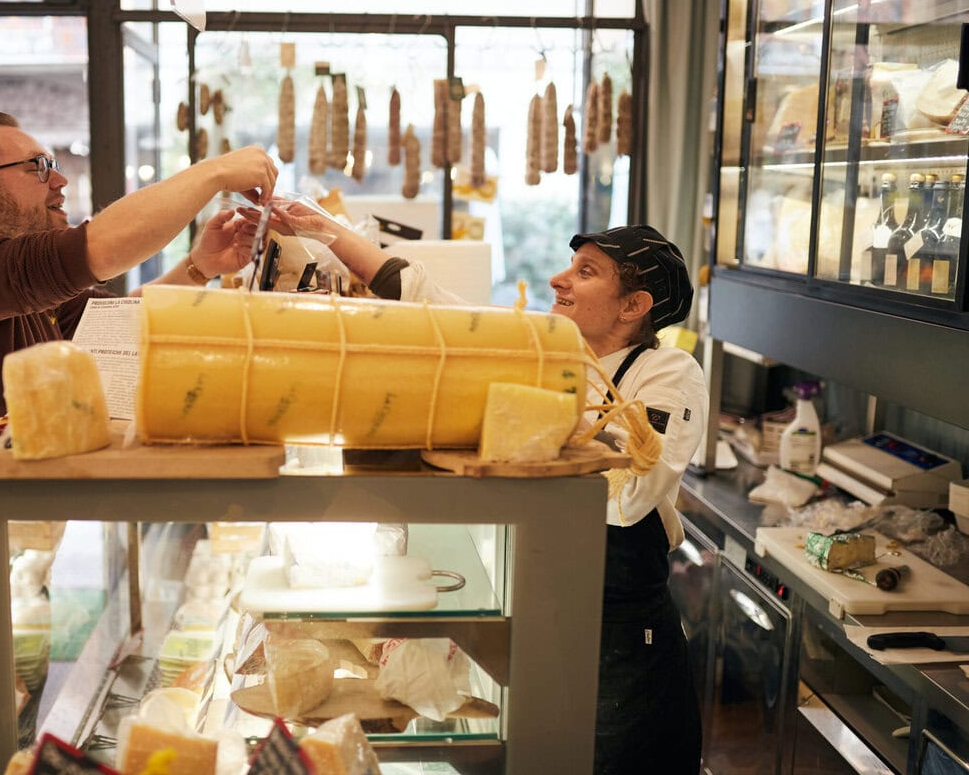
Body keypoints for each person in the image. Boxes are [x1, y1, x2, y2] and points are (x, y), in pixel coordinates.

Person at [0, 110, 276, 774]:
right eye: (37, 167)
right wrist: (217, 171)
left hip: (3, 566)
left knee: (5, 756)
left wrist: (198, 268)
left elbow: (113, 334)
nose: (60, 181)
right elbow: (99, 248)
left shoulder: (12, 290)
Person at [256, 203, 705, 773]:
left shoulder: (668, 374)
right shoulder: (552, 350)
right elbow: (432, 302)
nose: (558, 280)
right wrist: (321, 228)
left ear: (635, 307)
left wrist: (527, 406)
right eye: (570, 265)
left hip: (619, 629)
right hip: (542, 602)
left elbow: (624, 494)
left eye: (586, 272)